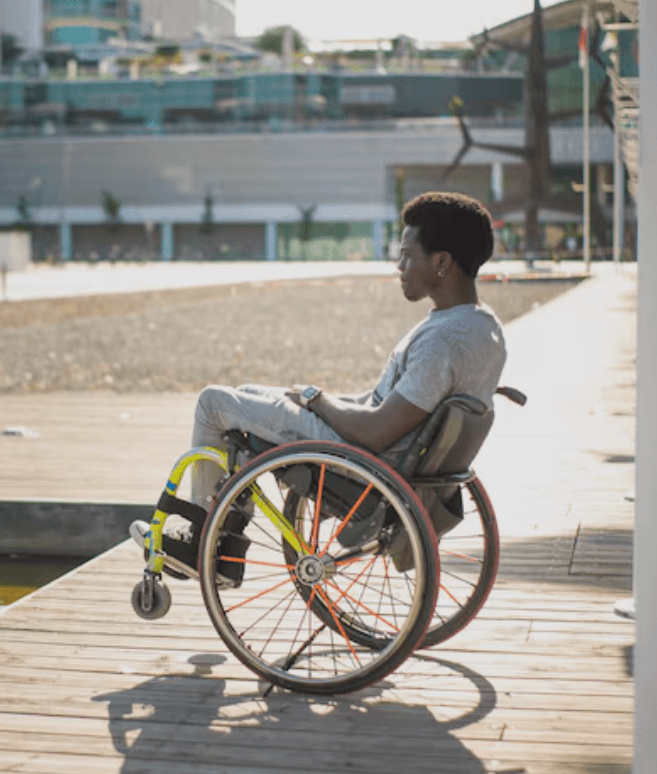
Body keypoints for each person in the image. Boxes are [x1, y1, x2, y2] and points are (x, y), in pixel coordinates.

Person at [132, 191, 508, 574]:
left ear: (442, 262)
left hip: (364, 459)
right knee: (245, 398)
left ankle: (201, 541)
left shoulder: (442, 342)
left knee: (213, 404)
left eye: (408, 255)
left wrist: (319, 400)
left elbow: (378, 431)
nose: (399, 265)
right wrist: (317, 400)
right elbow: (392, 407)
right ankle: (224, 534)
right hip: (397, 454)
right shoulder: (483, 327)